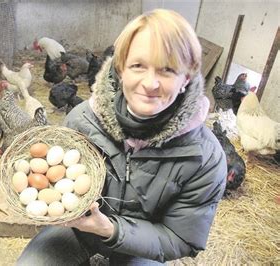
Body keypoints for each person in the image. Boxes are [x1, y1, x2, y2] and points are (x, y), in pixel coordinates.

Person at [17, 9, 226, 265]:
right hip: (75, 229)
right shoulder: (83, 119)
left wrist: (110, 230)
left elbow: (180, 238)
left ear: (187, 77)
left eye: (167, 70)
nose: (150, 84)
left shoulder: (203, 156)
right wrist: (43, 195)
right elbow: (55, 177)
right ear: (121, 68)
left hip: (142, 246)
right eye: (138, 66)